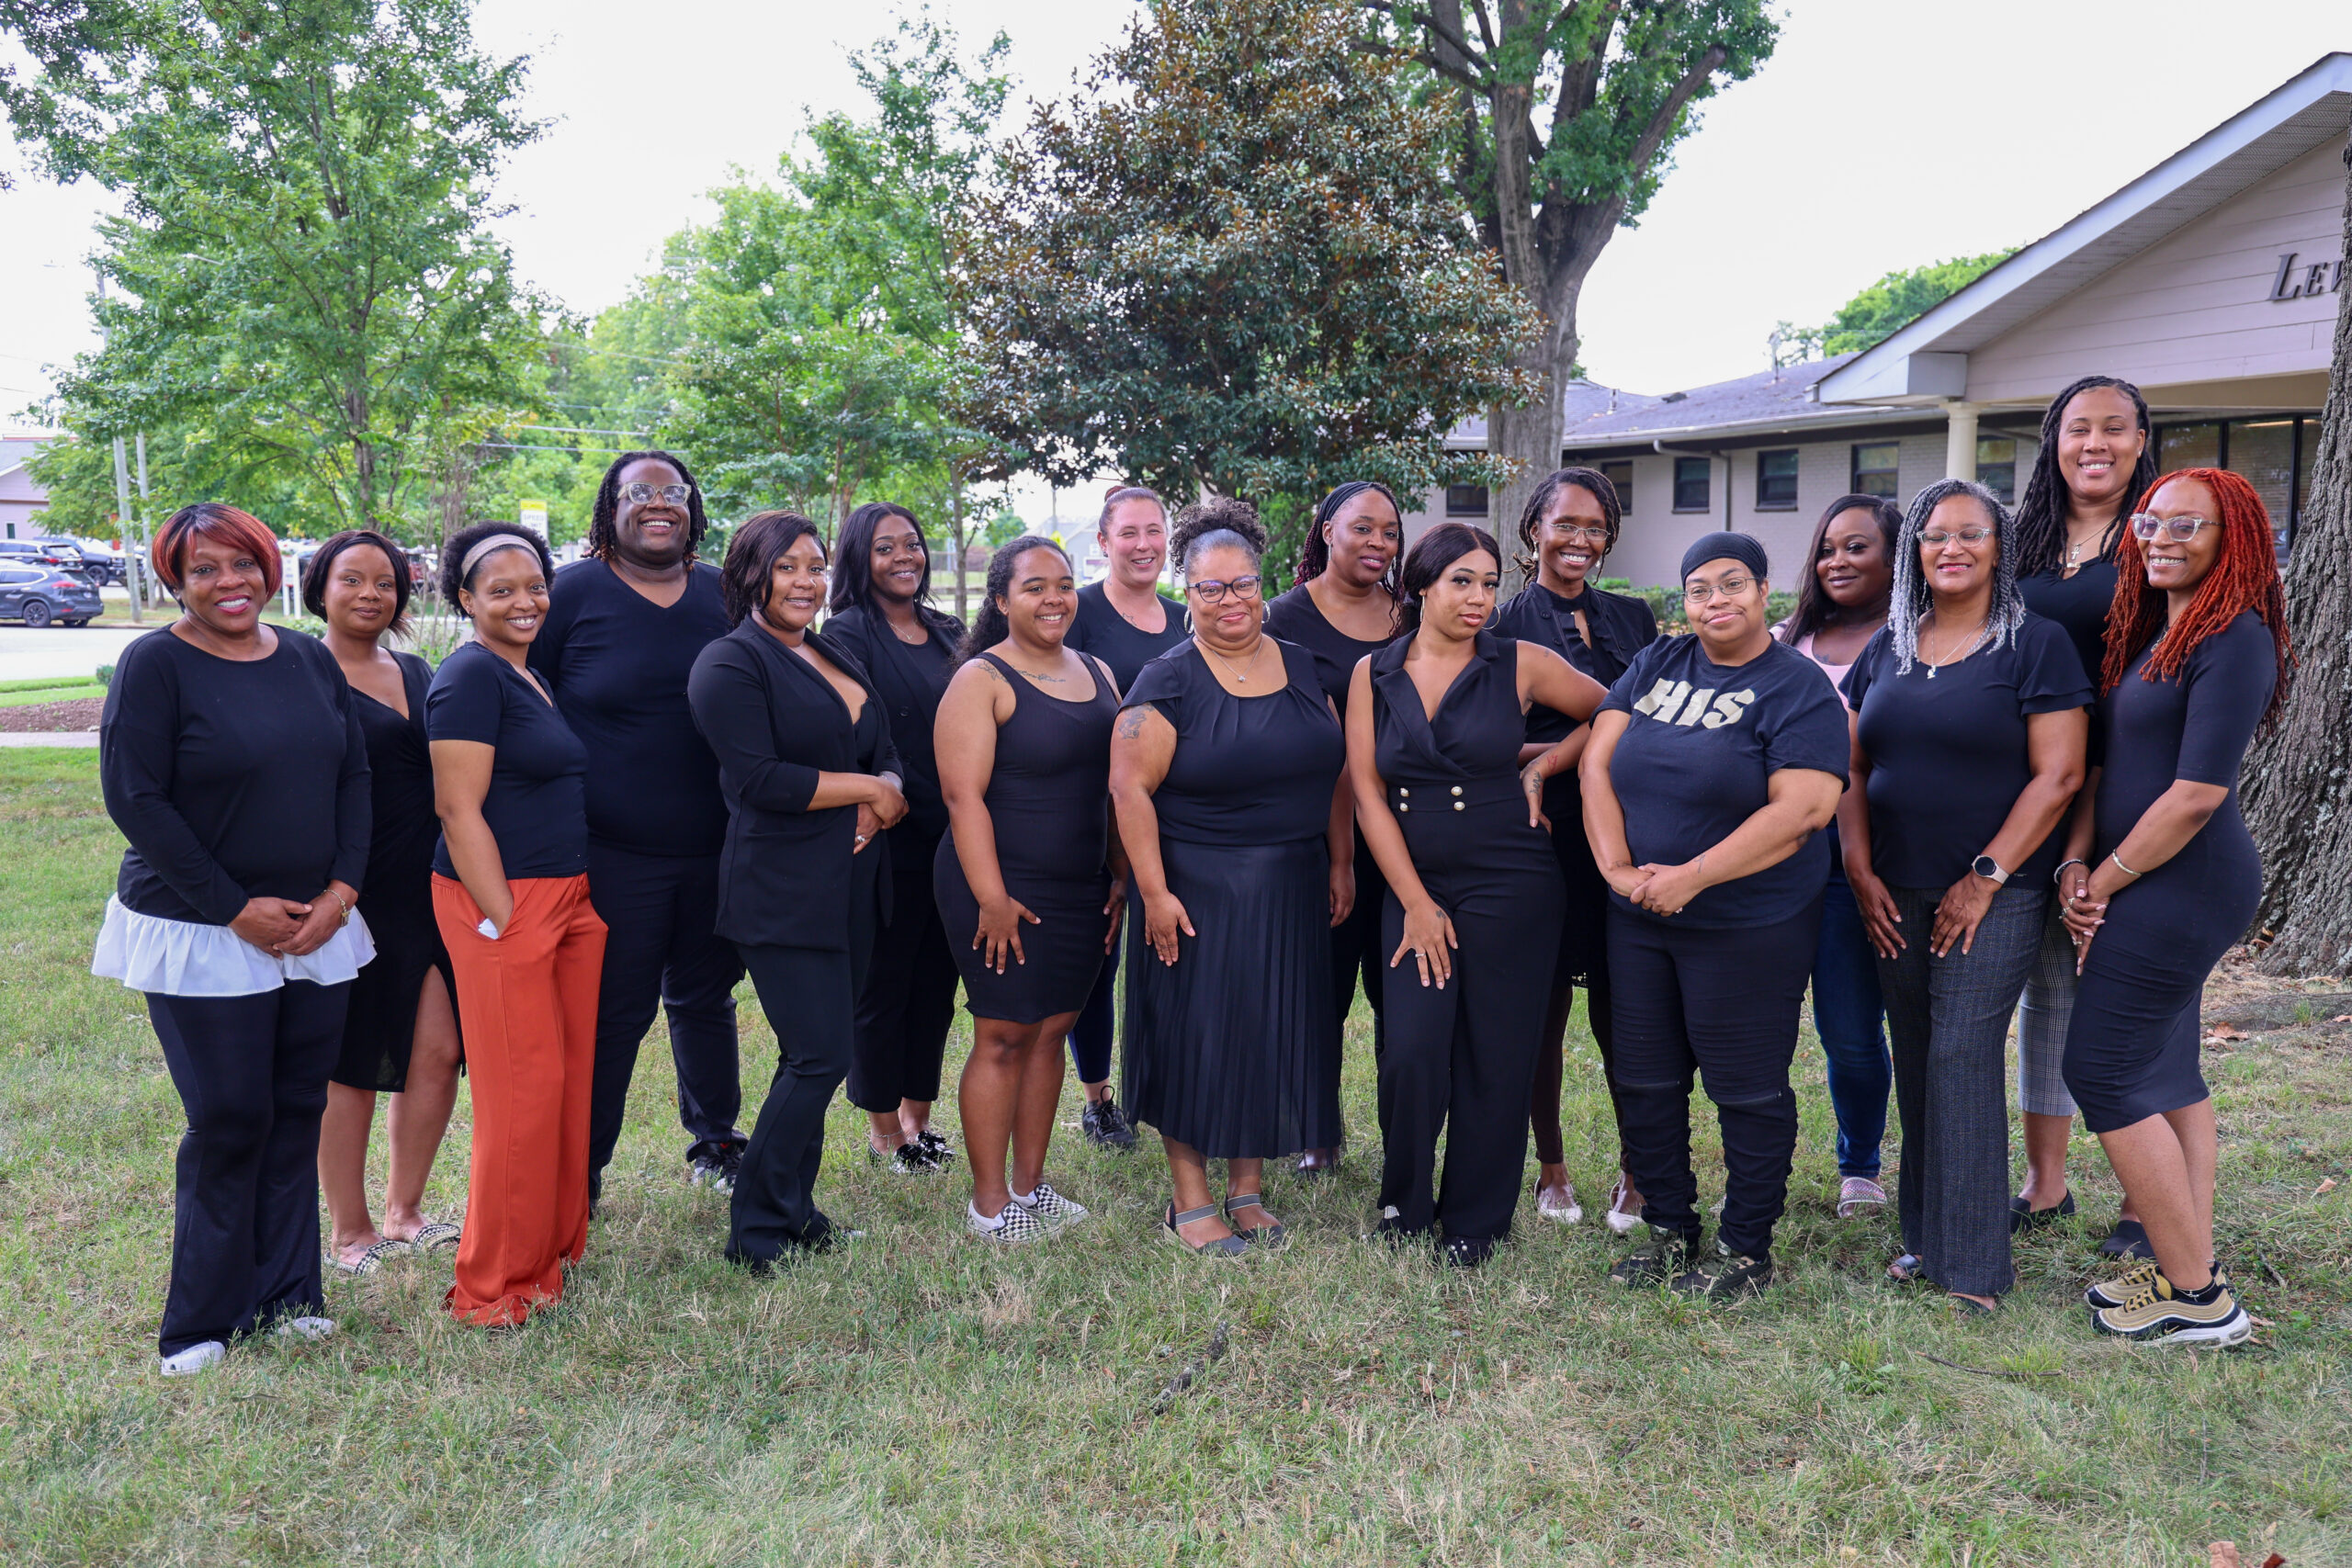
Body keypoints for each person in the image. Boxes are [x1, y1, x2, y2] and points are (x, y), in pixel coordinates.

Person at [94, 504, 373, 1375]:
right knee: (229, 1117)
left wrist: (341, 892)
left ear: (270, 567)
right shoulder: (154, 665)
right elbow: (136, 800)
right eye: (204, 569)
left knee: (297, 1109)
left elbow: (354, 774)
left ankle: (288, 1296)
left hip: (318, 926)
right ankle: (199, 1323)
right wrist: (233, 908)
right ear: (175, 580)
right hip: (201, 931)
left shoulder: (305, 655)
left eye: (243, 564)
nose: (230, 584)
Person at [1838, 480, 2091, 1314]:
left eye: (1970, 534)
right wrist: (1860, 869)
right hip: (1892, 888)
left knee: (1960, 1054)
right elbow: (1853, 767)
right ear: (1914, 548)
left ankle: (1975, 1268)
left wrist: (1982, 879)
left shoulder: (2035, 644)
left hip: (2001, 890)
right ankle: (1924, 1237)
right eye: (1934, 535)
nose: (1951, 548)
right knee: (1916, 1054)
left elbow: (2058, 776)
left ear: (1999, 547)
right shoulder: (1891, 647)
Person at [1580, 533, 1849, 1297]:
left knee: (1746, 1086)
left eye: (1732, 584)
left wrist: (1693, 877)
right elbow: (1599, 763)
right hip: (1639, 914)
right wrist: (1615, 869)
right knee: (1642, 1076)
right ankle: (1669, 1226)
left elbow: (1803, 810)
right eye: (1699, 588)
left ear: (1766, 592)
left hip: (1746, 922)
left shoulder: (1796, 687)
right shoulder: (1659, 662)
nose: (1715, 601)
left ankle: (1744, 1249)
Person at [2063, 468, 2289, 1347]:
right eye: (2149, 522)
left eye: (2183, 524)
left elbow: (2196, 795)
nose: (2158, 536)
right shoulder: (2162, 628)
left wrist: (2105, 879)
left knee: (2106, 1071)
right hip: (2140, 875)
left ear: (2232, 535)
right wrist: (2078, 865)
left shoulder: (2236, 636)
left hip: (2185, 883)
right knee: (2169, 1073)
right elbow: (2117, 767)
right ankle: (2186, 1264)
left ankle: (2197, 1301)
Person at [1346, 522, 1606, 1266]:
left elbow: (1613, 710)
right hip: (1413, 882)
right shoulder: (1376, 672)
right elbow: (1366, 789)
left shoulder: (1519, 661)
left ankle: (1475, 1222)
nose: (1479, 597)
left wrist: (1545, 763)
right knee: (1413, 1049)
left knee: (1498, 1052)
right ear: (1421, 584)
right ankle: (1403, 1204)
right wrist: (1415, 902)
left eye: (1490, 582)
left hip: (1512, 881)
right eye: (1462, 580)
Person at [1114, 501, 1350, 1253]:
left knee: (1267, 1031)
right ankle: (1191, 1199)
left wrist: (1341, 859)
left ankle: (1246, 1189)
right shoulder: (1168, 679)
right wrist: (1153, 892)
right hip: (1197, 890)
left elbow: (1338, 770)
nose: (1229, 602)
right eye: (1209, 589)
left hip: (1293, 884)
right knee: (1200, 1037)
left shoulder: (1305, 666)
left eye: (1242, 584)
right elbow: (1128, 790)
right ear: (1187, 592)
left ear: (1263, 582)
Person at [687, 512, 905, 1266]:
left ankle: (796, 1209)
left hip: (853, 882)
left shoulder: (830, 649)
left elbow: (886, 749)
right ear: (751, 572)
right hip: (781, 889)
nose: (806, 581)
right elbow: (760, 778)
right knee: (818, 1056)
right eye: (788, 567)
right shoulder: (728, 663)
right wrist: (870, 790)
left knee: (817, 1055)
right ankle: (755, 1230)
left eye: (815, 566)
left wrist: (886, 794)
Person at [528, 451, 744, 1202]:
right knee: (611, 1014)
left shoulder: (724, 593)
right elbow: (525, 700)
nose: (660, 503)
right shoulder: (570, 593)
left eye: (674, 491)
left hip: (715, 845)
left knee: (705, 997)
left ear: (692, 506)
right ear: (609, 508)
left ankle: (716, 1139)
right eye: (640, 492)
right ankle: (580, 1172)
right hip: (609, 852)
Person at [427, 523, 605, 1327]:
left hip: (566, 898)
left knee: (563, 1087)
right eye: (500, 589)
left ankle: (552, 1252)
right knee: (520, 1096)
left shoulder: (525, 675)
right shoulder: (468, 676)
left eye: (534, 585)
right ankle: (494, 1285)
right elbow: (458, 810)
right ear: (466, 599)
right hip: (505, 904)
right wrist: (504, 921)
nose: (524, 600)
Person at [2007, 377, 2160, 1255]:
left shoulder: (2159, 536)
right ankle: (2047, 1179)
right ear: (2052, 440)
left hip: (2135, 782)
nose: (2094, 442)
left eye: (2113, 428)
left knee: (2136, 989)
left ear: (2143, 439)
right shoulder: (2023, 539)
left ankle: (2145, 1199)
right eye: (2077, 428)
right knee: (2047, 984)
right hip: (2037, 782)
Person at [935, 536, 1123, 1242]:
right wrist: (991, 896)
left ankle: (1030, 1185)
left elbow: (1114, 788)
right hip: (996, 883)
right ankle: (989, 1204)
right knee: (1005, 1034)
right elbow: (963, 798)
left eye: (1065, 585)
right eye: (1036, 586)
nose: (1054, 599)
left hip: (1081, 885)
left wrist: (1120, 876)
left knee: (1052, 1032)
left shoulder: (1099, 670)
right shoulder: (982, 679)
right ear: (1002, 599)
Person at [1493, 468, 1660, 1228]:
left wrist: (1571, 747)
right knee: (1542, 1008)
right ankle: (1552, 1167)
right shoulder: (1496, 626)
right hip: (1542, 831)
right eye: (1566, 524)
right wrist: (1559, 754)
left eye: (1596, 528)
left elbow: (1652, 721)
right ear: (1534, 527)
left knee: (1629, 1010)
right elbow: (1485, 741)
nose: (1580, 541)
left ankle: (1638, 1166)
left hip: (1630, 831)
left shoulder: (1635, 619)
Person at [305, 530, 464, 1275]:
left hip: (432, 882)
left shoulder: (418, 668)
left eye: (386, 582)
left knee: (437, 1052)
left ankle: (405, 1212)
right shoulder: (300, 670)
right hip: (353, 889)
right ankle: (348, 1229)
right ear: (320, 588)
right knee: (353, 1065)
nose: (371, 593)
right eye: (353, 579)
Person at [1261, 480, 1402, 1177]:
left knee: (1401, 992)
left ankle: (1402, 1131)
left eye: (1390, 533)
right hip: (1316, 836)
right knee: (1318, 990)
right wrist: (1338, 857)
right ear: (1325, 532)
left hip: (1411, 834)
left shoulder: (1413, 616)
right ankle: (1317, 1128)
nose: (1378, 543)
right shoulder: (1280, 619)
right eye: (1363, 528)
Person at [826, 502, 965, 1174]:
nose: (904, 556)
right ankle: (884, 1132)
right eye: (886, 548)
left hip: (954, 839)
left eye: (912, 544)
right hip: (889, 838)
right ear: (861, 557)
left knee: (936, 986)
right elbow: (856, 736)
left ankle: (919, 1120)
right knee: (886, 984)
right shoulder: (847, 632)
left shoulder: (948, 631)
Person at [1774, 493, 1901, 1220]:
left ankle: (1861, 1163)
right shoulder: (1789, 641)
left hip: (1864, 855)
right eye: (1827, 547)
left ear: (1892, 557)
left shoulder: (1913, 641)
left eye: (1857, 546)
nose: (1837, 561)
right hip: (1775, 852)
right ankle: (1765, 1154)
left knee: (1851, 1028)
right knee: (1762, 1020)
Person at [1059, 487, 1186, 1149]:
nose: (1144, 545)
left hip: (1177, 822)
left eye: (1154, 531)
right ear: (1103, 542)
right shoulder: (1074, 612)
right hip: (1095, 816)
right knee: (1099, 960)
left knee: (1171, 956)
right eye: (1128, 533)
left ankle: (1170, 1084)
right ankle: (1098, 1097)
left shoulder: (1185, 617)